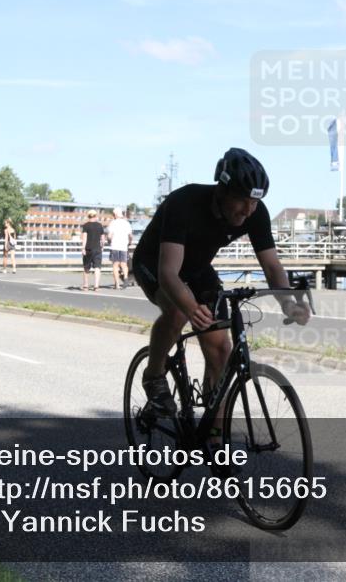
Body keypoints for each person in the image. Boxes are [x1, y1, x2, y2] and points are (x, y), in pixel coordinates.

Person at [132, 147, 310, 417]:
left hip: (198, 269)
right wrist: (191, 308)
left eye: (254, 202)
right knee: (178, 310)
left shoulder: (255, 212)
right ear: (222, 190)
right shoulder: (185, 202)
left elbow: (272, 266)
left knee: (220, 349)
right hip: (155, 262)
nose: (248, 210)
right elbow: (169, 273)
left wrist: (287, 302)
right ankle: (154, 376)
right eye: (241, 200)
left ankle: (213, 438)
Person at [107, 207, 133, 289]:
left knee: (115, 265)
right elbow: (130, 236)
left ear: (114, 214)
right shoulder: (126, 223)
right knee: (124, 264)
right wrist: (129, 242)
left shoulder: (113, 223)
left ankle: (117, 285)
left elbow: (109, 236)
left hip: (115, 246)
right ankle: (125, 277)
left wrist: (109, 241)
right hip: (123, 246)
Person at [81, 210, 104, 291]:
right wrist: (102, 246)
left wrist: (83, 248)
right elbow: (102, 238)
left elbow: (84, 237)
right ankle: (96, 286)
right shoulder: (100, 225)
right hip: (97, 249)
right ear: (96, 216)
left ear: (88, 216)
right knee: (97, 267)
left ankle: (86, 286)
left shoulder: (86, 225)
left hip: (88, 249)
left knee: (86, 267)